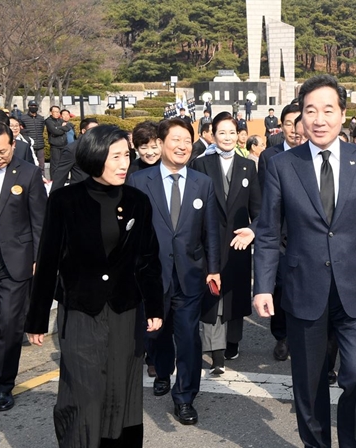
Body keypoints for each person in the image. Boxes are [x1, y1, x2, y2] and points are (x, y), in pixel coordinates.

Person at [253, 74, 356, 448]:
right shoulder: (283, 165)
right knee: (309, 383)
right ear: (301, 116)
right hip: (303, 288)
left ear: (343, 114)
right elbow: (268, 232)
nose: (318, 119)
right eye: (310, 110)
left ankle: (352, 441)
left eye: (327, 110)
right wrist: (263, 286)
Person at [25, 125, 163, 447]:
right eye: (114, 157)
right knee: (83, 393)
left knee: (122, 391)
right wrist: (36, 319)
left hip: (124, 312)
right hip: (81, 312)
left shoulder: (137, 201)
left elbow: (147, 259)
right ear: (94, 156)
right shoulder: (64, 201)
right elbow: (47, 263)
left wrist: (154, 306)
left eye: (125, 156)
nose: (123, 164)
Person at [127, 118, 221, 425]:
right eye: (175, 140)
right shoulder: (140, 182)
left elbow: (211, 232)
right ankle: (162, 371)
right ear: (161, 143)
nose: (181, 146)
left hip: (191, 274)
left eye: (186, 141)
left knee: (189, 337)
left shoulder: (202, 182)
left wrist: (214, 268)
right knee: (157, 332)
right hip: (152, 275)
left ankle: (185, 397)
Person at [0, 121, 47, 410]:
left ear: (12, 145)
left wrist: (39, 259)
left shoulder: (28, 174)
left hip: (15, 260)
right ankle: (0, 354)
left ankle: (4, 384)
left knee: (10, 324)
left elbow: (39, 220)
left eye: (2, 151)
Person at [191, 112, 261, 371]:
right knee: (213, 293)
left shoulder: (248, 166)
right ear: (212, 134)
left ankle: (233, 339)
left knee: (234, 294)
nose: (228, 137)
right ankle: (216, 351)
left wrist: (253, 231)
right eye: (222, 132)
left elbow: (258, 207)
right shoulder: (201, 164)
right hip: (209, 240)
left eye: (232, 132)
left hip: (238, 243)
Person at [256, 102, 300, 361]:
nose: (295, 130)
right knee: (280, 288)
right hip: (281, 238)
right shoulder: (269, 157)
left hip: (307, 236)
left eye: (298, 123)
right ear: (280, 128)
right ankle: (281, 336)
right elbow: (266, 203)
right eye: (288, 124)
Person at [51, 118, 99, 191]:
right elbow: (60, 175)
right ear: (83, 131)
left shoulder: (102, 147)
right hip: (80, 193)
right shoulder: (72, 149)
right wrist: (53, 197)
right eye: (93, 129)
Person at [20, 100, 46, 174]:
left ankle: (42, 179)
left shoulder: (41, 118)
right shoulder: (23, 118)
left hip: (40, 145)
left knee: (41, 165)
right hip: (29, 145)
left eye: (35, 106)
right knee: (30, 164)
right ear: (29, 107)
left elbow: (42, 129)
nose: (34, 107)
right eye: (32, 106)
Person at [45, 105, 69, 178]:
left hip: (64, 145)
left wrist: (59, 128)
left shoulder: (60, 120)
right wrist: (62, 128)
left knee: (64, 163)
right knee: (55, 164)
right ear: (51, 112)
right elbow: (55, 131)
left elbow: (68, 127)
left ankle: (65, 179)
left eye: (58, 112)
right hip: (55, 146)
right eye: (55, 112)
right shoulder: (48, 121)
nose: (57, 113)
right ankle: (54, 180)